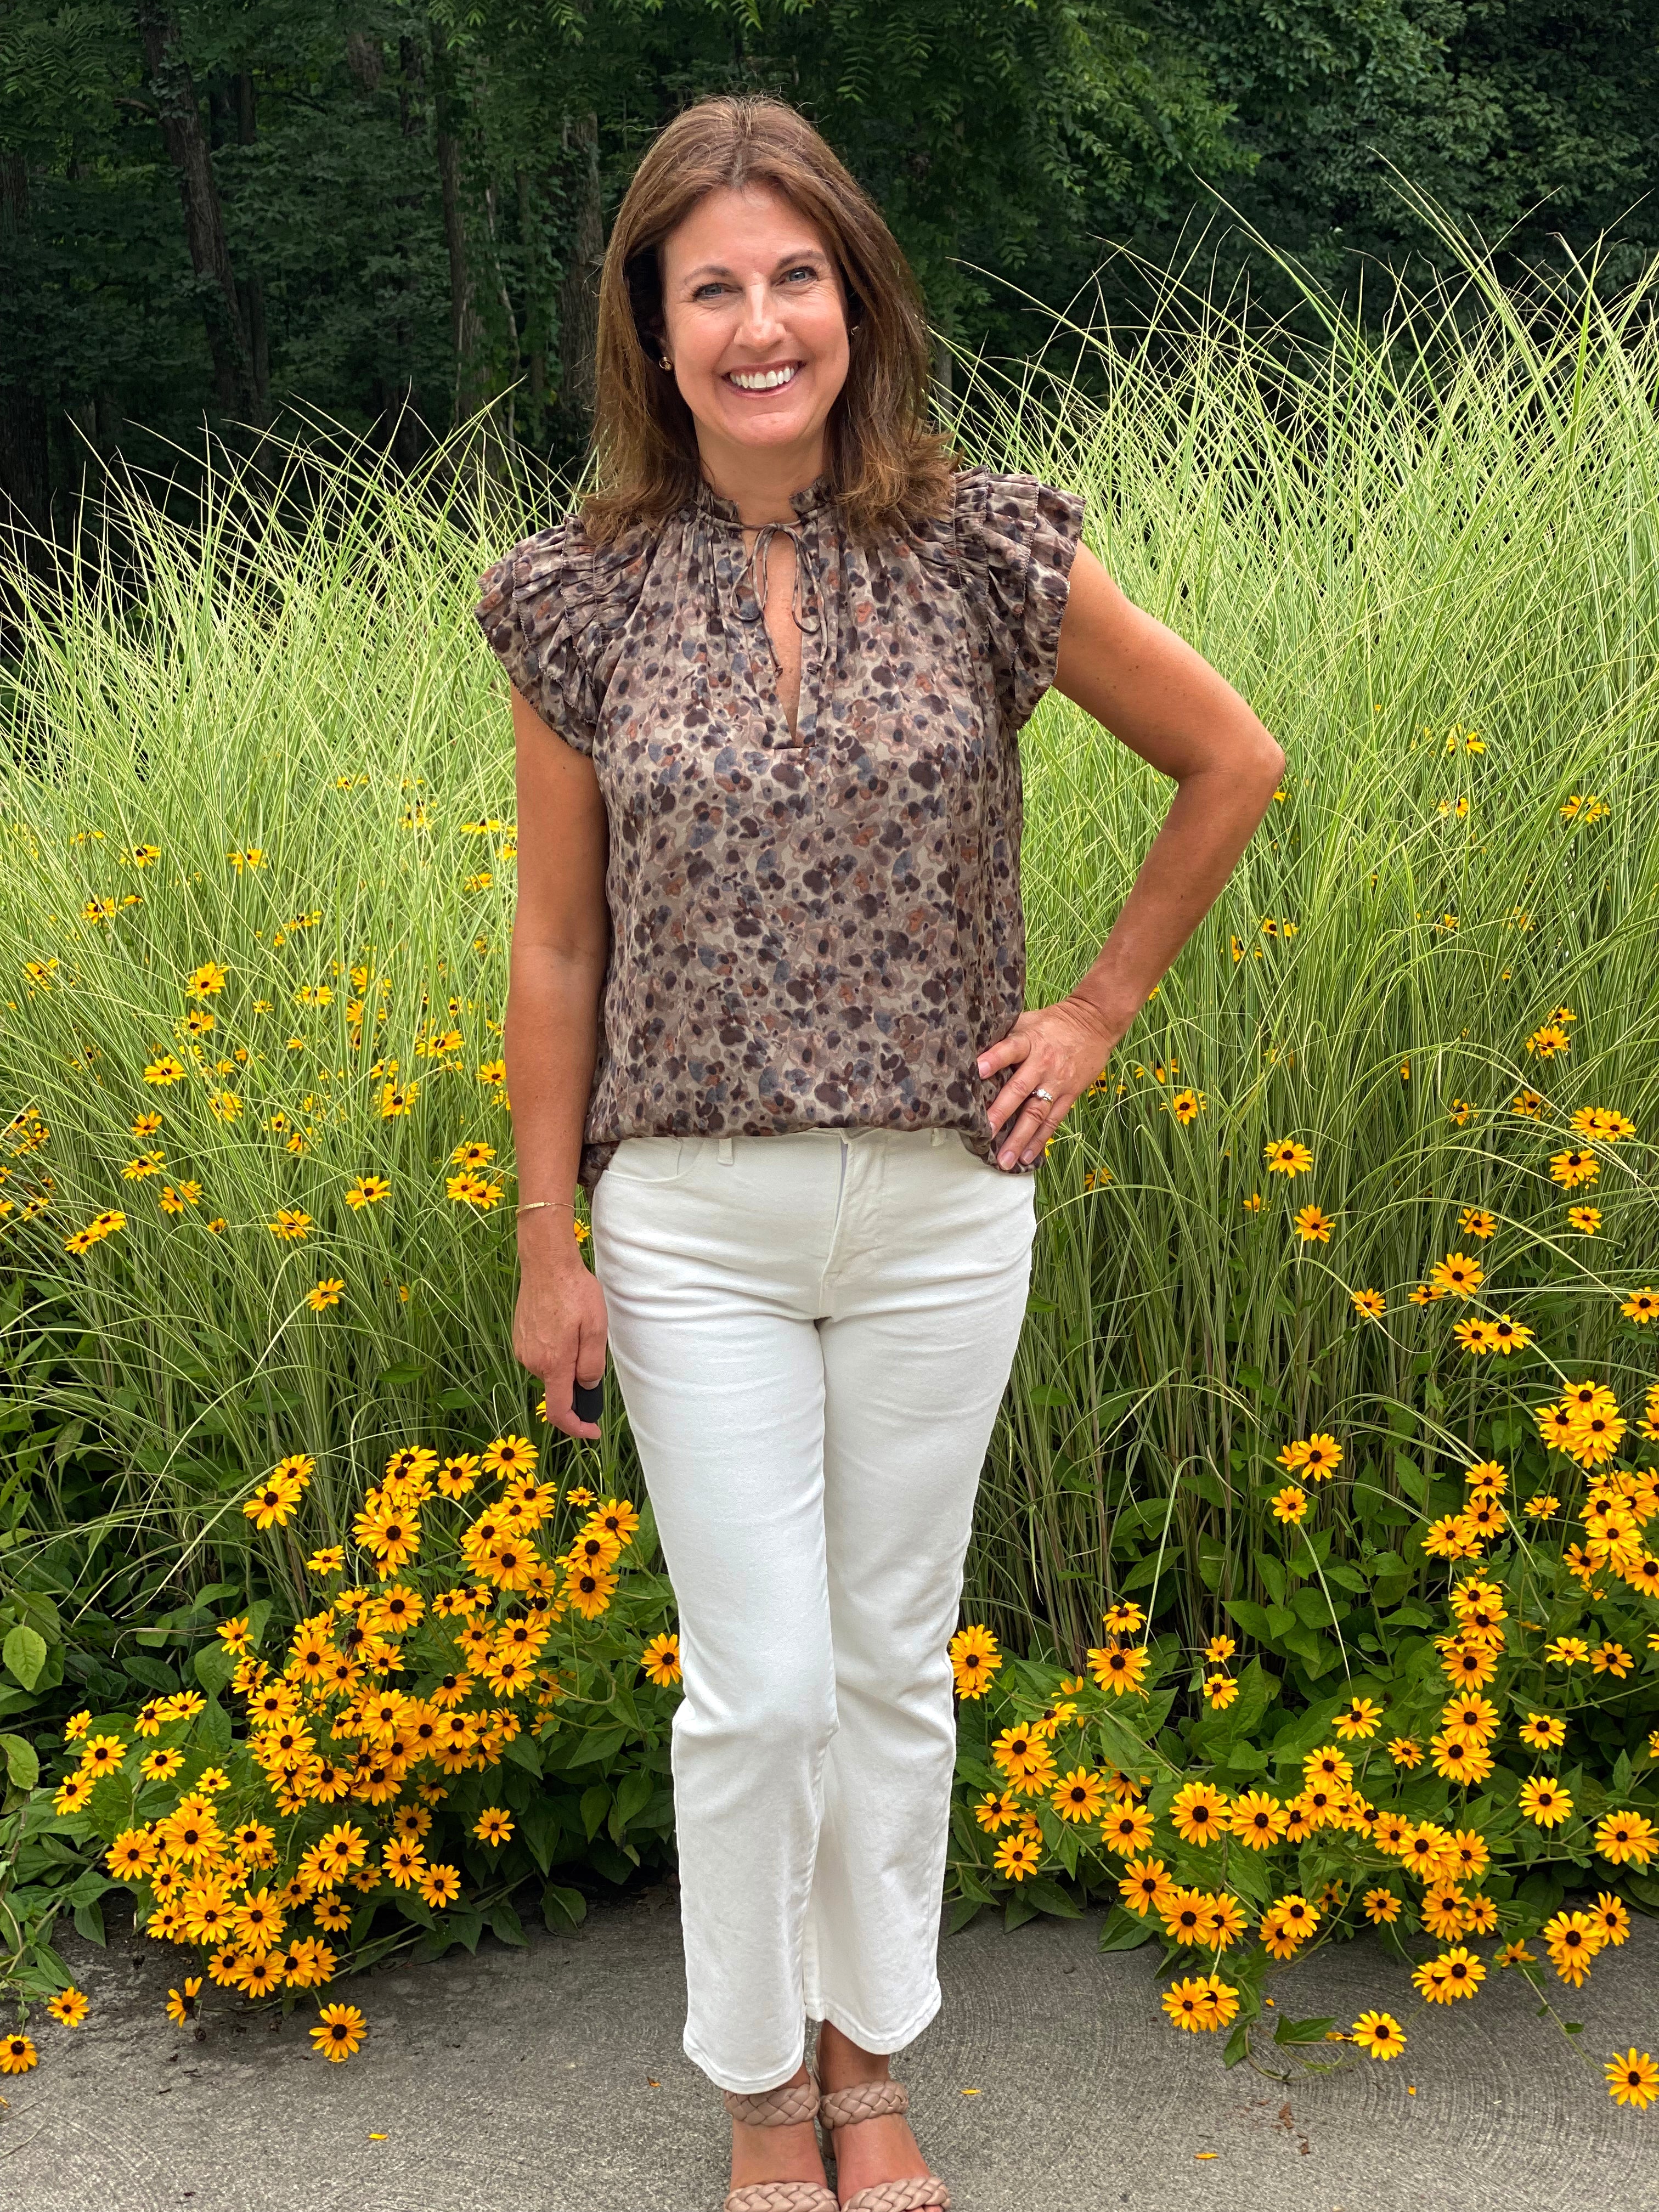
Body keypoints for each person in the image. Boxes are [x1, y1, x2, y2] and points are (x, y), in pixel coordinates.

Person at [474, 92, 1284, 2212]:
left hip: (942, 1207)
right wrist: (548, 1246)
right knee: (753, 1695)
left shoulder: (993, 547)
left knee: (886, 1672)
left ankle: (870, 2070)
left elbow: (1231, 757)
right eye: (710, 288)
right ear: (653, 336)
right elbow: (559, 945)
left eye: (794, 276)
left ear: (857, 293)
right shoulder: (576, 600)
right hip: (692, 1228)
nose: (759, 324)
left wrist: (1095, 1012)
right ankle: (759, 2096)